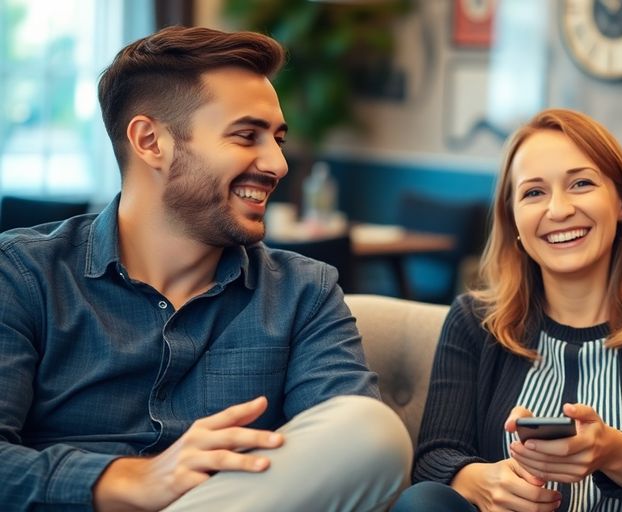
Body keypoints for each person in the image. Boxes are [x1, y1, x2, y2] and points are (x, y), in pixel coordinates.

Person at [0, 26, 411, 511]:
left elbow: (349, 452)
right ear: (150, 141)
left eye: (277, 139)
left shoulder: (304, 292)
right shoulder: (24, 274)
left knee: (371, 429)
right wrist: (125, 480)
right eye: (246, 135)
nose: (277, 164)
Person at [392, 109, 622, 512]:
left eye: (581, 183)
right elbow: (435, 457)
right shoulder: (473, 320)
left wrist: (614, 453)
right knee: (424, 502)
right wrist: (482, 482)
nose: (558, 210)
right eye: (534, 192)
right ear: (512, 217)